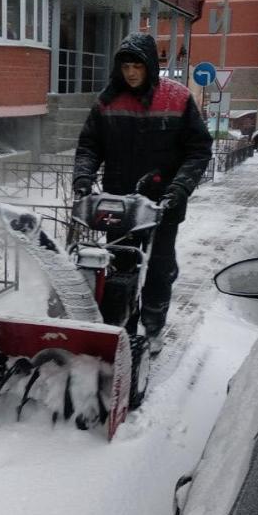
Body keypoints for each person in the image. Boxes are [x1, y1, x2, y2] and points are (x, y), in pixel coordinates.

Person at [72, 32, 213, 354]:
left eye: (137, 66)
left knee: (159, 268)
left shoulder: (177, 99)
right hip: (119, 203)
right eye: (126, 66)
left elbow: (199, 150)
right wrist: (83, 178)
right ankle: (121, 330)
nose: (131, 73)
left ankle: (152, 328)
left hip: (164, 203)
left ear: (150, 66)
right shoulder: (107, 102)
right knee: (120, 267)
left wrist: (179, 187)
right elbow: (89, 145)